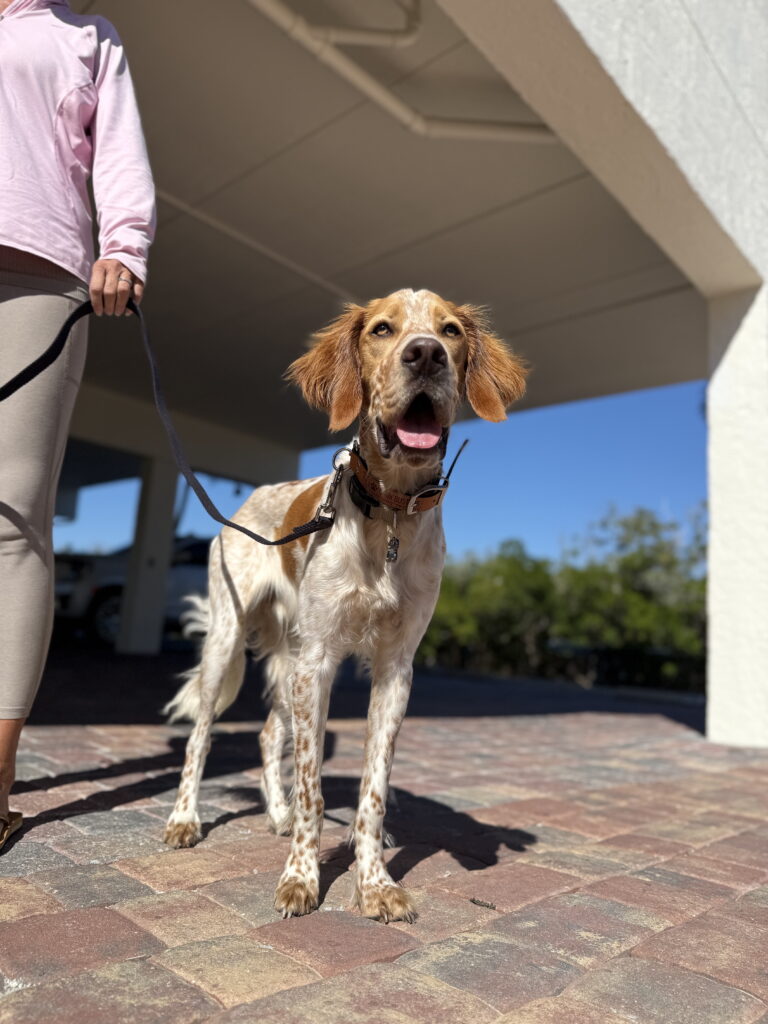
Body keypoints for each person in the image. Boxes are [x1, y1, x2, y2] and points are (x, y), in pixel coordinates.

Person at [0, 0, 155, 850]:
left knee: (12, 517)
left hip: (38, 273)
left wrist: (124, 249)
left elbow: (121, 158)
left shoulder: (86, 35)